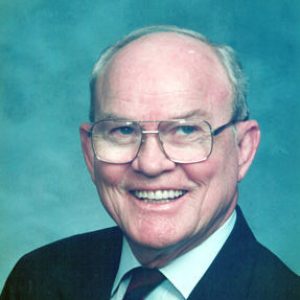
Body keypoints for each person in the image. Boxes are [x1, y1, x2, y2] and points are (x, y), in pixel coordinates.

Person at [1, 25, 299, 300]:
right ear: (90, 152)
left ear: (243, 148)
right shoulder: (36, 278)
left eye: (186, 130)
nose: (150, 164)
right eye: (123, 130)